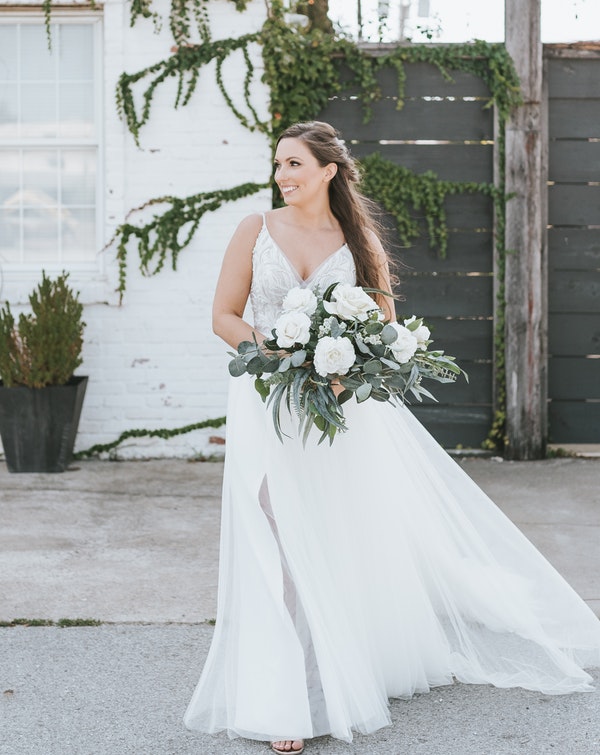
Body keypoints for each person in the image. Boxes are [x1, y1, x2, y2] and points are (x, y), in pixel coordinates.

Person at [185, 121, 600, 753]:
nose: (282, 176)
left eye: (294, 164)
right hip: (267, 401)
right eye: (278, 164)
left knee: (328, 533)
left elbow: (380, 331)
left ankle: (329, 675)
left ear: (328, 170)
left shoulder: (358, 242)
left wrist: (341, 376)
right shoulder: (254, 229)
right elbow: (223, 316)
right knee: (271, 529)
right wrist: (280, 357)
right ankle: (285, 694)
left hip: (337, 408)